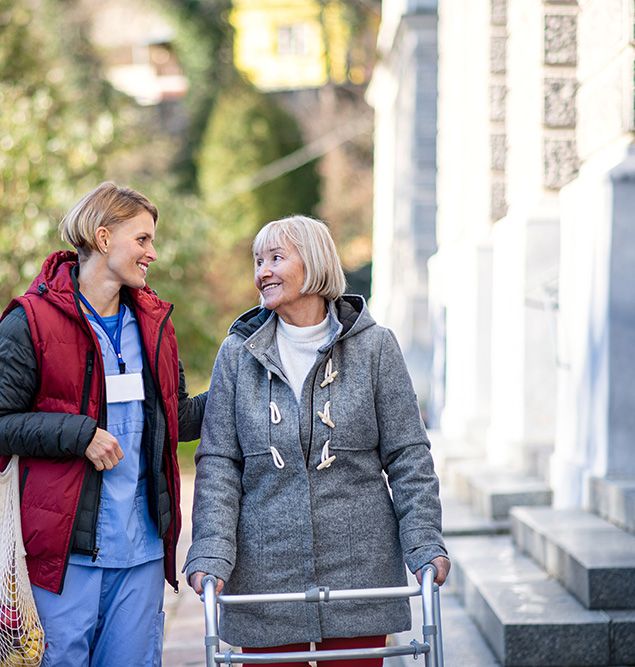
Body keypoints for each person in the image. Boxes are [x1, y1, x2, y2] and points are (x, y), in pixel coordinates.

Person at [184, 215, 449, 667]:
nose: (262, 271)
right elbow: (219, 463)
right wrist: (210, 549)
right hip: (265, 571)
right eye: (258, 260)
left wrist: (425, 542)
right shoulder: (237, 354)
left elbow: (408, 456)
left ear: (315, 263)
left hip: (358, 571)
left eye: (275, 258)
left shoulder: (375, 348)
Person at [0, 182, 206, 666]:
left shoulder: (155, 322)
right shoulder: (31, 320)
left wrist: (240, 380)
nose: (152, 253)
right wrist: (80, 435)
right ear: (103, 239)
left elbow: (176, 418)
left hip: (141, 547)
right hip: (64, 553)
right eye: (142, 240)